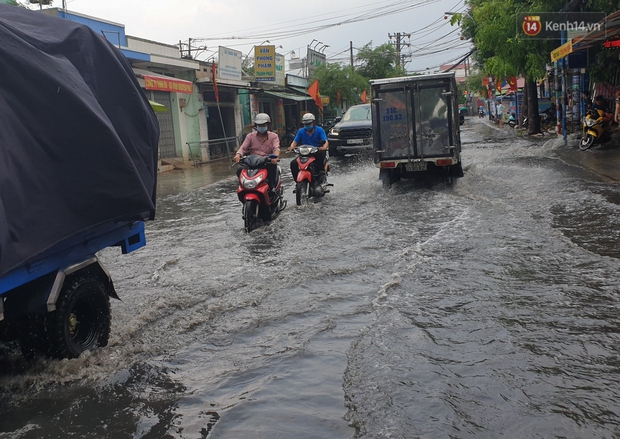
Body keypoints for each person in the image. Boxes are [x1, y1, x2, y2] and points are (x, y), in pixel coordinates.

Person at [234, 113, 280, 194]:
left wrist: (275, 157)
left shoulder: (274, 136)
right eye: (259, 125)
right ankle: (243, 186)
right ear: (256, 125)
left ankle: (273, 188)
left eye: (263, 125)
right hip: (252, 163)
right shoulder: (250, 136)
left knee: (272, 169)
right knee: (240, 170)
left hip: (267, 162)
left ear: (268, 125)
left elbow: (276, 148)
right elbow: (243, 148)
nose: (261, 126)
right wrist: (238, 155)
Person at [287, 112, 329, 181]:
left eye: (309, 123)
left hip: (317, 152)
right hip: (305, 153)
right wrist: (291, 147)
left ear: (313, 122)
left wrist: (324, 147)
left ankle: (320, 176)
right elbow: (295, 142)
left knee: (319, 163)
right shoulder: (301, 131)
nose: (307, 125)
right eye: (306, 124)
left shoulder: (319, 130)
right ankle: (297, 182)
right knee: (293, 163)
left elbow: (325, 141)